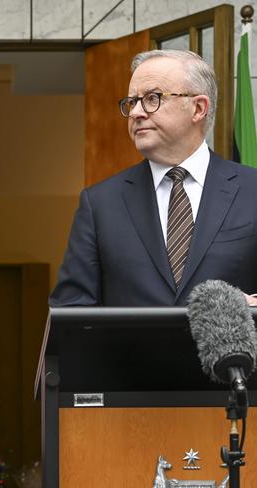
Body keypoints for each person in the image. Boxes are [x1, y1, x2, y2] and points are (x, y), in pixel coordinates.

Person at [50, 49, 257, 307]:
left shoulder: (252, 192)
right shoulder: (100, 204)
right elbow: (72, 314)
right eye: (132, 102)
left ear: (198, 108)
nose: (136, 112)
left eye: (152, 98)